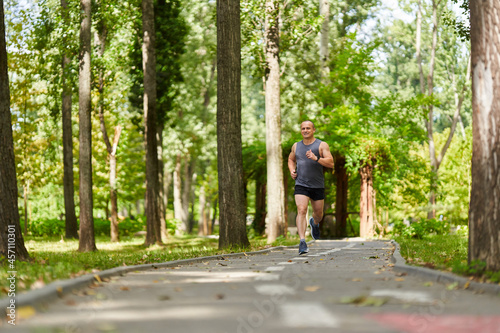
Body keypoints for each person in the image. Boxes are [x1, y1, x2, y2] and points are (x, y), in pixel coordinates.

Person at [288, 120, 334, 254]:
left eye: (308, 128)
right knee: (301, 209)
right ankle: (302, 242)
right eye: (303, 128)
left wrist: (316, 159)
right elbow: (291, 159)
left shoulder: (321, 145)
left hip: (317, 185)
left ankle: (314, 223)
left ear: (313, 130)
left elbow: (331, 163)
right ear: (301, 131)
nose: (305, 130)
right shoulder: (296, 146)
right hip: (301, 184)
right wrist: (292, 170)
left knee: (319, 214)